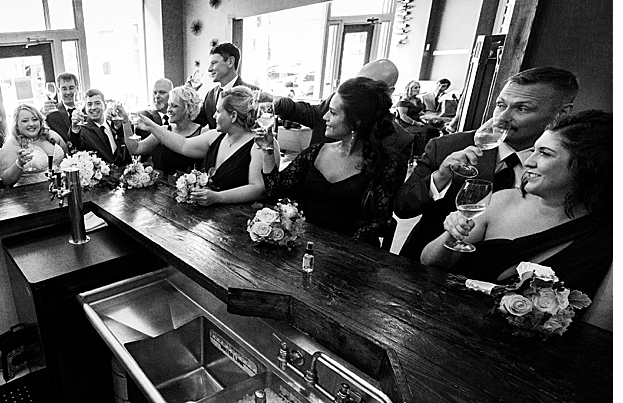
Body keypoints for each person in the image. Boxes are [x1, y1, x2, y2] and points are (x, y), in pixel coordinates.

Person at [395, 66, 579, 261]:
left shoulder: (566, 166)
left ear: (561, 114)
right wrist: (440, 177)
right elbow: (403, 207)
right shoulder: (448, 147)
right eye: (501, 105)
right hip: (425, 268)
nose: (502, 118)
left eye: (522, 108)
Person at [421, 111, 611, 299]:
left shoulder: (605, 236)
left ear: (586, 165)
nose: (528, 162)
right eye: (532, 151)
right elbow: (429, 262)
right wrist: (452, 234)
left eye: (544, 154)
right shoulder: (501, 200)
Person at [261, 77, 408, 246]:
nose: (324, 117)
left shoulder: (388, 164)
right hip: (308, 247)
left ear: (356, 121)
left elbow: (375, 223)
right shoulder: (315, 153)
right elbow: (275, 188)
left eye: (333, 112)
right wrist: (267, 150)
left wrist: (332, 252)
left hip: (353, 256)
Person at [136, 85, 265, 205]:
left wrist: (218, 197)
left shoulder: (259, 143)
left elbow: (257, 188)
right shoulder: (215, 135)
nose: (214, 116)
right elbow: (182, 144)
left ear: (233, 116)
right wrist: (152, 127)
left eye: (218, 112)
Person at [257, 58, 401, 147]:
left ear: (389, 91)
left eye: (365, 86)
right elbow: (309, 113)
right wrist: (276, 102)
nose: (355, 89)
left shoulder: (397, 140)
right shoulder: (337, 100)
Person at [124, 85, 205, 176]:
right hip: (165, 188)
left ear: (189, 108)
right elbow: (135, 149)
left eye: (174, 106)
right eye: (169, 105)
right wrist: (125, 121)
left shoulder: (203, 133)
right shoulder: (164, 130)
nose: (168, 110)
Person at [0, 104, 67, 187]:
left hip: (61, 189)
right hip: (30, 195)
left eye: (35, 119)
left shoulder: (52, 135)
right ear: (16, 125)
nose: (31, 124)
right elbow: (6, 180)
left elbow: (68, 159)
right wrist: (19, 164)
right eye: (25, 121)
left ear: (40, 121)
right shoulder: (11, 145)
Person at [192, 43, 258, 129]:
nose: (209, 69)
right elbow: (195, 125)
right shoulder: (210, 95)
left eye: (214, 63)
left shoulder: (254, 94)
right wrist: (190, 94)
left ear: (230, 62)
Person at [69, 89, 133, 168]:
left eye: (97, 103)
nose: (93, 107)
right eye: (89, 104)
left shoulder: (114, 125)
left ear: (105, 106)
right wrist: (75, 127)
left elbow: (129, 144)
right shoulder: (82, 130)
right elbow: (75, 144)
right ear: (85, 108)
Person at [42, 72, 81, 146]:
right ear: (58, 90)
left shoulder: (87, 110)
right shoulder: (51, 113)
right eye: (64, 89)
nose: (68, 92)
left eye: (71, 88)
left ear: (77, 88)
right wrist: (43, 115)